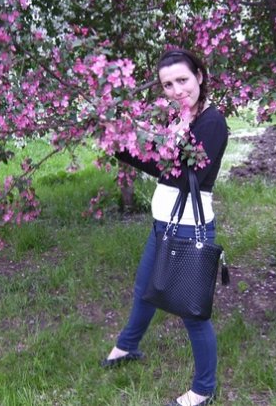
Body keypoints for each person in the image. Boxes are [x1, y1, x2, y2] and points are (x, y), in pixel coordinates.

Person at [101, 48, 228, 406]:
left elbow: (183, 175)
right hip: (164, 224)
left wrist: (130, 150)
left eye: (182, 80)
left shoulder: (212, 122)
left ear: (199, 76)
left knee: (192, 312)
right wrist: (121, 144)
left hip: (189, 228)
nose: (176, 90)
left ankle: (203, 389)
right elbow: (162, 161)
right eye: (168, 84)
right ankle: (127, 346)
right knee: (145, 290)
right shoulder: (179, 117)